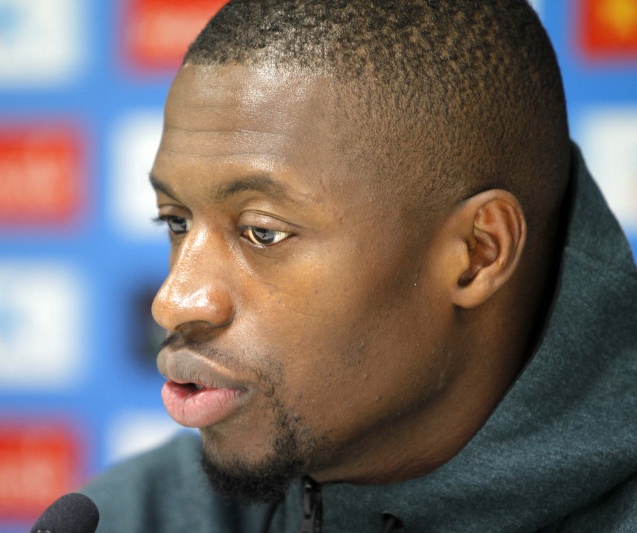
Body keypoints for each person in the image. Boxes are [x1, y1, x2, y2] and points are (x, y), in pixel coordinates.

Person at [84, 1, 637, 531]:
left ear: (478, 254)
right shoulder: (130, 517)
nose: (173, 301)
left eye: (263, 232)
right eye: (176, 222)